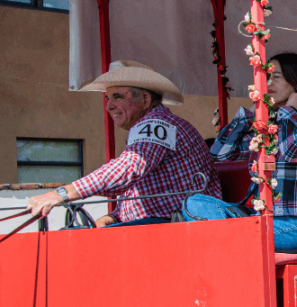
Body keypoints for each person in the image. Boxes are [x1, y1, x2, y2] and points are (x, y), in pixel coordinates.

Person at [185, 52, 297, 253]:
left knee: (223, 234)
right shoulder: (270, 126)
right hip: (264, 221)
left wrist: (289, 111)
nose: (268, 83)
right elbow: (220, 154)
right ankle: (229, 233)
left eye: (275, 77)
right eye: (266, 77)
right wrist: (250, 115)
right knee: (194, 204)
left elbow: (292, 151)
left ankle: (227, 234)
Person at [27, 61, 221, 225]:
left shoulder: (157, 124)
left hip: (177, 227)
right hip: (166, 224)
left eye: (118, 97)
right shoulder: (151, 127)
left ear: (145, 99)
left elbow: (128, 169)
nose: (109, 105)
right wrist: (113, 217)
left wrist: (62, 193)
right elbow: (139, 185)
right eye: (107, 97)